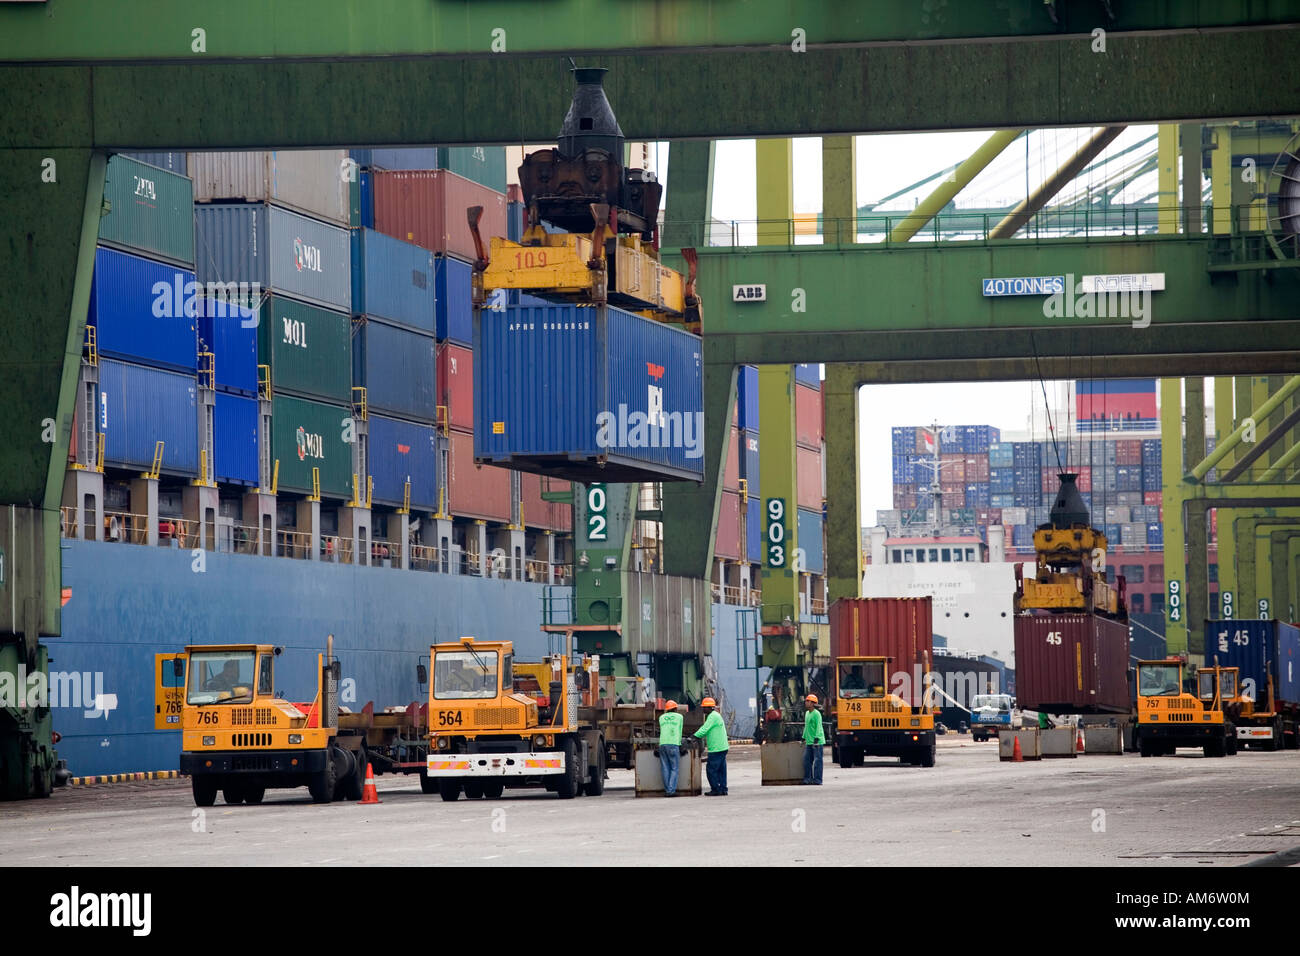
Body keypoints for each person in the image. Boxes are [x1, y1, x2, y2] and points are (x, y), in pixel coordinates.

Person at [693, 697, 729, 796]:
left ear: (709, 707)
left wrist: (694, 736)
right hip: (722, 747)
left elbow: (705, 729)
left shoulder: (712, 716)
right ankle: (723, 789)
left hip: (716, 748)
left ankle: (715, 789)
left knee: (711, 770)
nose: (703, 709)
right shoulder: (716, 715)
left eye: (704, 707)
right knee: (721, 770)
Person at [657, 700, 684, 796]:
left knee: (665, 768)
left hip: (662, 744)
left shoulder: (661, 718)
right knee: (674, 768)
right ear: (676, 708)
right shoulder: (679, 717)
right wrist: (680, 744)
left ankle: (667, 789)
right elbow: (680, 731)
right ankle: (671, 791)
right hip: (673, 744)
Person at [802, 694, 825, 785]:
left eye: (808, 701)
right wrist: (803, 737)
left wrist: (817, 738)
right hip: (809, 742)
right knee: (806, 761)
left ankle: (818, 780)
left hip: (817, 742)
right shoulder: (807, 714)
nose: (806, 702)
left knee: (817, 761)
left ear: (812, 703)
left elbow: (819, 727)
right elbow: (806, 727)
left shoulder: (817, 714)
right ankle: (808, 779)